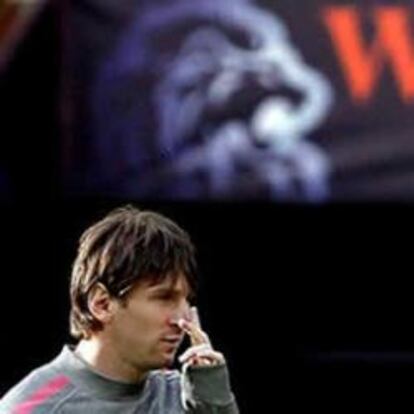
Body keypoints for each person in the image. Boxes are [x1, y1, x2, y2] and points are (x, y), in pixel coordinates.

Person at [0, 205, 238, 413]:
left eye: (187, 300)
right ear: (101, 304)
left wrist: (214, 405)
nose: (183, 319)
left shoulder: (191, 396)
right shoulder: (30, 408)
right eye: (164, 297)